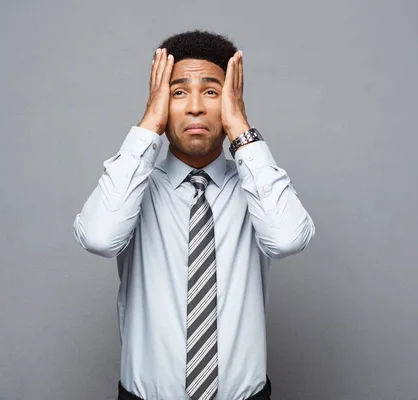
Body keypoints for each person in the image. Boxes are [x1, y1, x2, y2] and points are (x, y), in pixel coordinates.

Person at [73, 30, 315, 400]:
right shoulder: (135, 188)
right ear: (160, 102)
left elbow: (286, 238)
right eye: (178, 92)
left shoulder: (255, 187)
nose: (196, 107)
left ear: (232, 101)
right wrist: (148, 127)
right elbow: (99, 237)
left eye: (212, 92)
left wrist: (242, 132)